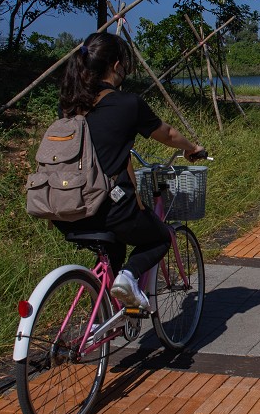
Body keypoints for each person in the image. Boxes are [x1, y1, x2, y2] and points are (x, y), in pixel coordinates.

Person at [54, 31, 206, 310]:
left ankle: (110, 312)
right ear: (116, 65)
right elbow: (169, 134)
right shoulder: (127, 104)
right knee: (161, 236)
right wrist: (191, 148)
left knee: (115, 246)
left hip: (68, 210)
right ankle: (128, 276)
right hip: (109, 210)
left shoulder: (70, 105)